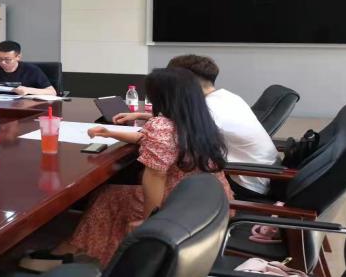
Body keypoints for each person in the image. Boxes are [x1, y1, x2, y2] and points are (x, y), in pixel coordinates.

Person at [19, 68, 233, 272]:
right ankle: (87, 250)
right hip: (210, 198)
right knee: (110, 195)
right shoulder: (198, 119)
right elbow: (157, 140)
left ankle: (72, 252)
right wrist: (109, 133)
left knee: (108, 198)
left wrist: (149, 220)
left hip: (178, 202)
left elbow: (155, 175)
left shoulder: (162, 126)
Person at [114, 54, 278, 197]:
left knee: (151, 165)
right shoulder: (226, 97)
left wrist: (109, 132)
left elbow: (162, 136)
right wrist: (141, 115)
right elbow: (190, 120)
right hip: (263, 172)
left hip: (245, 181)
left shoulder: (211, 108)